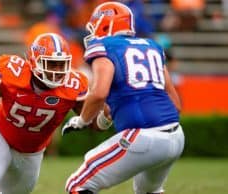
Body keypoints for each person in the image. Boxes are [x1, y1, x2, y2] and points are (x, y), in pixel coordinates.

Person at [0, 32, 109, 193]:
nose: (57, 71)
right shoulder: (13, 73)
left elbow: (92, 122)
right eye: (51, 64)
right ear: (34, 61)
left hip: (31, 152)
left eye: (61, 64)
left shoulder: (73, 86)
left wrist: (107, 116)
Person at [62, 2, 185, 194]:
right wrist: (110, 114)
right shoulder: (152, 46)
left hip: (143, 136)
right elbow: (175, 103)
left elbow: (99, 93)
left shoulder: (104, 47)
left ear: (105, 25)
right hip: (176, 137)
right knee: (148, 190)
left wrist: (82, 120)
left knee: (77, 185)